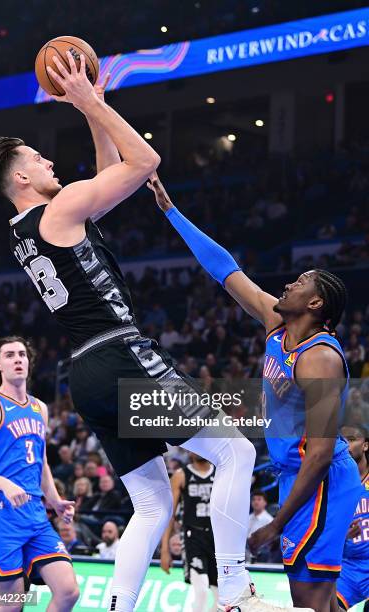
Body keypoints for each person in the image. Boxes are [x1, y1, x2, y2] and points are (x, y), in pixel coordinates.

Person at [0, 54, 306, 612]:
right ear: (21, 177)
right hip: (120, 354)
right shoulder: (57, 211)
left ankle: (118, 606)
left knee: (153, 504)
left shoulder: (32, 229)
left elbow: (109, 174)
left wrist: (96, 108)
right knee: (233, 453)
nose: (49, 160)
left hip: (85, 374)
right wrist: (85, 101)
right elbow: (144, 161)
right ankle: (233, 588)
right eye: (38, 157)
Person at [148, 174, 362, 612]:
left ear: (317, 303)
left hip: (320, 483)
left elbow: (321, 453)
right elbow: (225, 269)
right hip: (293, 477)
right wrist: (172, 211)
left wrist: (274, 524)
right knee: (318, 605)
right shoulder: (276, 323)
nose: (287, 285)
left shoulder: (320, 358)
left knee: (312, 603)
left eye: (300, 282)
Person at [0, 336, 79, 612]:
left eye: (22, 355)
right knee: (12, 604)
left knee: (68, 592)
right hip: (0, 514)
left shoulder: (41, 408)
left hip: (36, 514)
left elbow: (41, 462)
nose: (18, 359)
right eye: (10, 355)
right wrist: (4, 484)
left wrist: (55, 499)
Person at [161, 453, 218, 612]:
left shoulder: (220, 472)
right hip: (193, 537)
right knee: (201, 592)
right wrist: (165, 550)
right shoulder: (180, 475)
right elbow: (169, 515)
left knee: (221, 597)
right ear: (188, 450)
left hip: (218, 539)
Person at [336, 425, 369, 610]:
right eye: (342, 440)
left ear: (365, 446)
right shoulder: (333, 485)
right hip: (346, 568)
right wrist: (342, 534)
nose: (346, 445)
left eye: (352, 439)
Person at [247, 491, 274, 563]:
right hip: (246, 550)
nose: (256, 502)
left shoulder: (270, 520)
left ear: (265, 503)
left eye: (259, 499)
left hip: (261, 553)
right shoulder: (247, 518)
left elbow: (270, 543)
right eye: (254, 499)